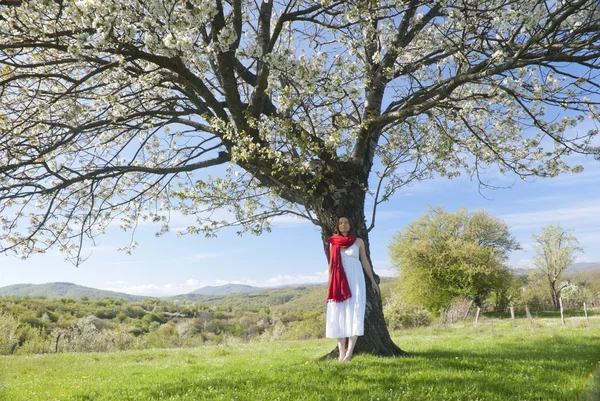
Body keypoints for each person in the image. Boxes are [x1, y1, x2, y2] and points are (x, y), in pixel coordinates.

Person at [326, 217, 380, 362]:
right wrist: (330, 284)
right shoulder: (333, 242)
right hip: (338, 283)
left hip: (356, 281)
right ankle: (341, 354)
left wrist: (373, 281)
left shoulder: (358, 242)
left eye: (346, 222)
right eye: (341, 223)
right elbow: (331, 265)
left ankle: (349, 354)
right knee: (340, 315)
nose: (344, 224)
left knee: (354, 313)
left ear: (350, 225)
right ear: (338, 226)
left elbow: (365, 261)